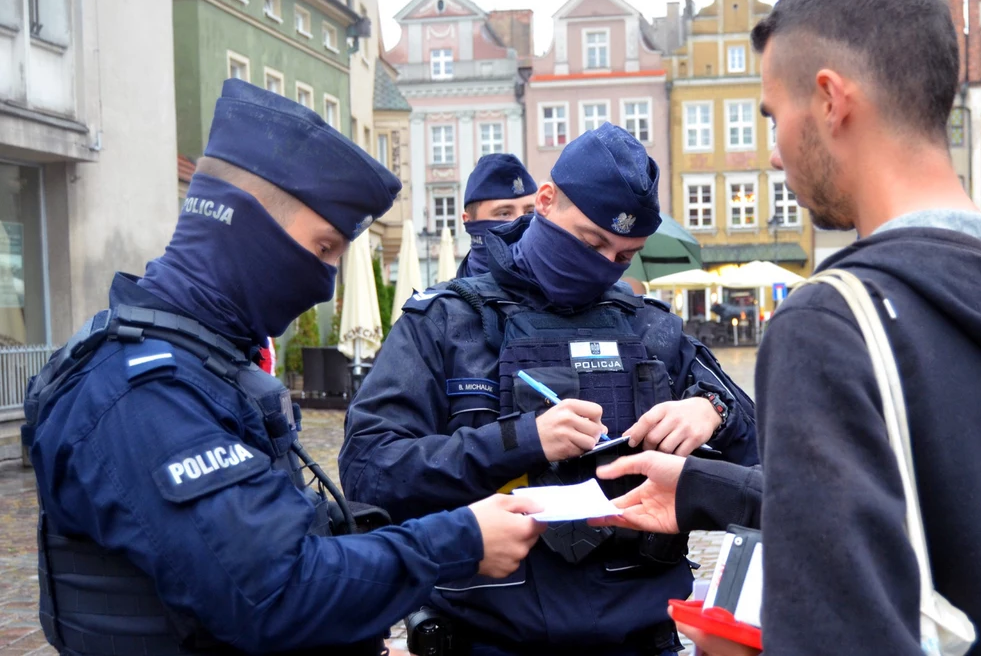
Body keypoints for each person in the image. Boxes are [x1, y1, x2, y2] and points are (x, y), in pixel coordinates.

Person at [597, 0, 981, 655]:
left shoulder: (832, 323)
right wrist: (706, 488)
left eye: (774, 115)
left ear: (831, 100)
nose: (774, 152)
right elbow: (962, 518)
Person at [23, 80, 545, 656]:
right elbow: (272, 590)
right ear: (243, 227)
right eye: (322, 248)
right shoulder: (144, 392)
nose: (324, 281)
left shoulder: (206, 365)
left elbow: (269, 540)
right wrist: (459, 541)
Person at [340, 123, 760, 655]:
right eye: (591, 241)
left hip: (639, 640)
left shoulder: (653, 329)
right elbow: (368, 470)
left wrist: (714, 410)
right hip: (485, 640)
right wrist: (518, 440)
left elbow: (770, 470)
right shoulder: (446, 322)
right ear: (545, 200)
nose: (605, 266)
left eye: (624, 256)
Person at [456, 153, 538, 278]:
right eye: (504, 213)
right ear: (469, 221)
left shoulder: (560, 291)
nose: (521, 221)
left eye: (529, 212)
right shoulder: (446, 297)